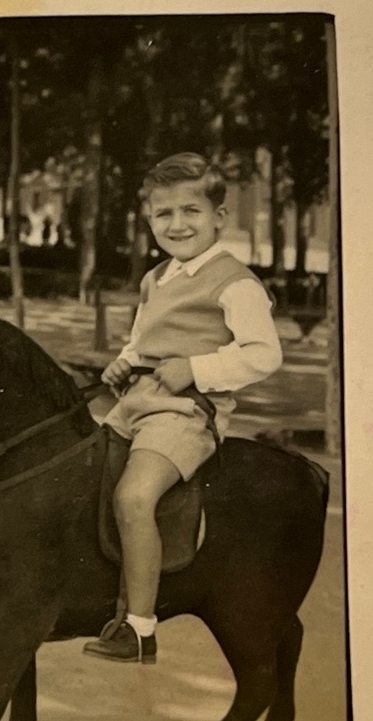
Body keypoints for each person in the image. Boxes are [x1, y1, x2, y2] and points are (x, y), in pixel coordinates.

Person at [84, 152, 283, 665]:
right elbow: (142, 339)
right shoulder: (156, 278)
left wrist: (194, 369)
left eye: (191, 211)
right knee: (77, 470)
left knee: (132, 497)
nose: (177, 224)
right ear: (150, 220)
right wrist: (123, 364)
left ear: (219, 216)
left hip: (186, 413)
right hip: (137, 400)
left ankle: (140, 629)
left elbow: (264, 353)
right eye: (163, 214)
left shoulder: (234, 282)